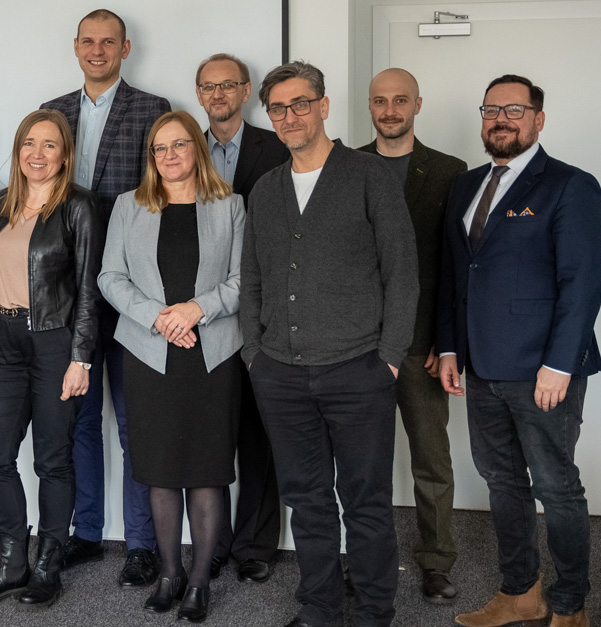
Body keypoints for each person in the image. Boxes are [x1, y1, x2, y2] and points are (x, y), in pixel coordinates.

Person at [239, 61, 418, 627]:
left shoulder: (369, 176)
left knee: (365, 503)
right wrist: (254, 354)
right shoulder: (266, 189)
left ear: (323, 106)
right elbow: (253, 279)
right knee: (308, 502)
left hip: (358, 370)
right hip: (281, 375)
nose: (290, 116)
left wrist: (388, 360)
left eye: (300, 104)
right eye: (278, 108)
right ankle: (319, 607)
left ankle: (371, 612)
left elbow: (403, 274)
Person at [440, 75, 601, 627]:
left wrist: (559, 364)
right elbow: (454, 275)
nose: (501, 118)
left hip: (544, 370)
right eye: (491, 109)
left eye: (515, 109)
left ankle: (570, 604)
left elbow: (582, 283)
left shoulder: (570, 186)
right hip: (482, 366)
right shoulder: (465, 187)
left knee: (557, 488)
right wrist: (447, 348)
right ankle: (520, 593)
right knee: (502, 482)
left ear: (538, 118)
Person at [40, 8, 171, 588]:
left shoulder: (152, 110)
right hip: (69, 292)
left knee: (136, 422)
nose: (97, 50)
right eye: (88, 41)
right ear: (75, 47)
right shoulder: (54, 113)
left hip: (132, 286)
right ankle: (86, 534)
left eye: (108, 42)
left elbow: (161, 194)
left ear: (125, 49)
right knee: (81, 420)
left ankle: (142, 544)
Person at [99, 110, 243, 623]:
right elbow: (110, 277)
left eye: (179, 144)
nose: (169, 156)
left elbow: (244, 279)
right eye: (159, 148)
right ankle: (168, 572)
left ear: (197, 149)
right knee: (159, 471)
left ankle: (199, 582)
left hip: (212, 355)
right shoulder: (128, 206)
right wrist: (159, 319)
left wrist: (194, 310)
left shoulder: (230, 205)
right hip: (148, 352)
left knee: (206, 472)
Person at [0, 108, 101, 609]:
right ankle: (11, 561)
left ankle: (48, 563)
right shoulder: (2, 202)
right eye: (28, 144)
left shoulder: (79, 206)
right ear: (17, 150)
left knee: (52, 459)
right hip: (4, 340)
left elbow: (88, 288)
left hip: (54, 341)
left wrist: (80, 357)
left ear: (64, 154)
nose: (36, 155)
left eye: (48, 145)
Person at [358, 67, 467, 605]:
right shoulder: (344, 164)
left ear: (418, 104)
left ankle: (437, 563)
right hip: (357, 348)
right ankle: (367, 563)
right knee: (364, 463)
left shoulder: (450, 171)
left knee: (431, 460)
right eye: (381, 100)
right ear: (369, 106)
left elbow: (455, 267)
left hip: (423, 348)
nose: (390, 110)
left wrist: (447, 343)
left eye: (401, 100)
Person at [194, 52, 288, 585]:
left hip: (263, 310)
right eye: (208, 87)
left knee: (258, 433)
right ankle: (212, 542)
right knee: (210, 433)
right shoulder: (183, 150)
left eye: (227, 85)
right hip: (200, 314)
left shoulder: (276, 147)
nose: (218, 95)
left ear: (246, 90)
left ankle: (255, 543)